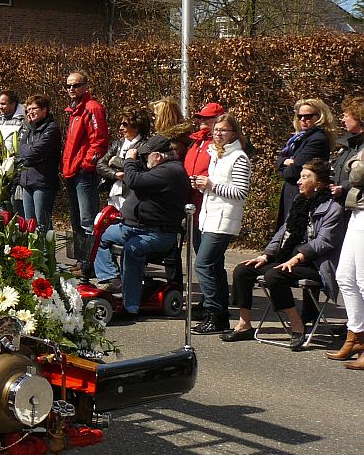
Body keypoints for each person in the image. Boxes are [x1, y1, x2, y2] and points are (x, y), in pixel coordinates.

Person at [222, 158, 344, 350]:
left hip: (315, 265)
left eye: (305, 177)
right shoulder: (299, 203)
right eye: (300, 176)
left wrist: (298, 258)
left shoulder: (332, 208)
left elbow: (325, 241)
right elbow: (283, 232)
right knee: (243, 270)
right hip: (289, 259)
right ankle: (244, 324)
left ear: (318, 183)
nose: (299, 181)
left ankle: (297, 325)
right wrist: (266, 255)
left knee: (274, 276)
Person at [93, 134, 190, 324]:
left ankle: (131, 305)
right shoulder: (159, 169)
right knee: (100, 236)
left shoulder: (171, 172)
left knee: (132, 249)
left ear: (159, 156)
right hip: (135, 227)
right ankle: (112, 278)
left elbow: (134, 180)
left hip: (159, 233)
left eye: (147, 156)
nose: (144, 160)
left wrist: (129, 159)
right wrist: (128, 161)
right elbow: (137, 174)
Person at [190, 113, 252, 334]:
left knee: (203, 264)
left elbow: (241, 192)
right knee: (214, 266)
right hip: (209, 217)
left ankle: (213, 312)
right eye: (216, 130)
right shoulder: (217, 155)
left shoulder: (238, 158)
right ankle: (220, 316)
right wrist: (203, 186)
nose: (218, 134)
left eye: (223, 130)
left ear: (234, 133)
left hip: (223, 220)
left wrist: (211, 185)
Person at [327, 96, 364, 365]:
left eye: (347, 114)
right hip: (356, 210)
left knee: (363, 279)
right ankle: (355, 336)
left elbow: (357, 176)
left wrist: (353, 163)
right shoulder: (354, 145)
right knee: (345, 276)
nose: (342, 118)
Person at [61, 70, 109, 256]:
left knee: (88, 220)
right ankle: (83, 261)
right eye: (69, 86)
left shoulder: (92, 108)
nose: (72, 89)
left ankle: (92, 264)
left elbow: (99, 141)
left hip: (84, 172)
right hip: (72, 171)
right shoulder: (75, 110)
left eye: (76, 85)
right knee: (77, 219)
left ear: (85, 86)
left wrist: (87, 165)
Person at [274, 98, 336, 229]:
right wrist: (283, 162)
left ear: (319, 117)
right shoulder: (299, 138)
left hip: (302, 196)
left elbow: (292, 173)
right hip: (293, 195)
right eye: (300, 116)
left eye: (308, 116)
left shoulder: (317, 139)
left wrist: (284, 165)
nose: (303, 119)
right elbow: (279, 159)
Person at [13, 95, 61, 232]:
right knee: (30, 224)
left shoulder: (51, 129)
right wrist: (28, 154)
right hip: (27, 182)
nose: (30, 113)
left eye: (34, 109)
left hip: (43, 183)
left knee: (42, 223)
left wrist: (27, 155)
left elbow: (34, 152)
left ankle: (46, 252)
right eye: (28, 110)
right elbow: (20, 149)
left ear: (44, 110)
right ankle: (34, 253)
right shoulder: (28, 129)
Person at [97, 107, 150, 210]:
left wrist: (116, 161)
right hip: (114, 193)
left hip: (132, 196)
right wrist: (115, 174)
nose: (121, 128)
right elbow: (100, 165)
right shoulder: (119, 144)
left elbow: (140, 167)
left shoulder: (145, 145)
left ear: (136, 127)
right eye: (121, 124)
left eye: (125, 124)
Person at [0, 90, 25, 157]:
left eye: (3, 104)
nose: (0, 107)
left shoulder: (22, 123)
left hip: (13, 163)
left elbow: (22, 146)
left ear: (13, 104)